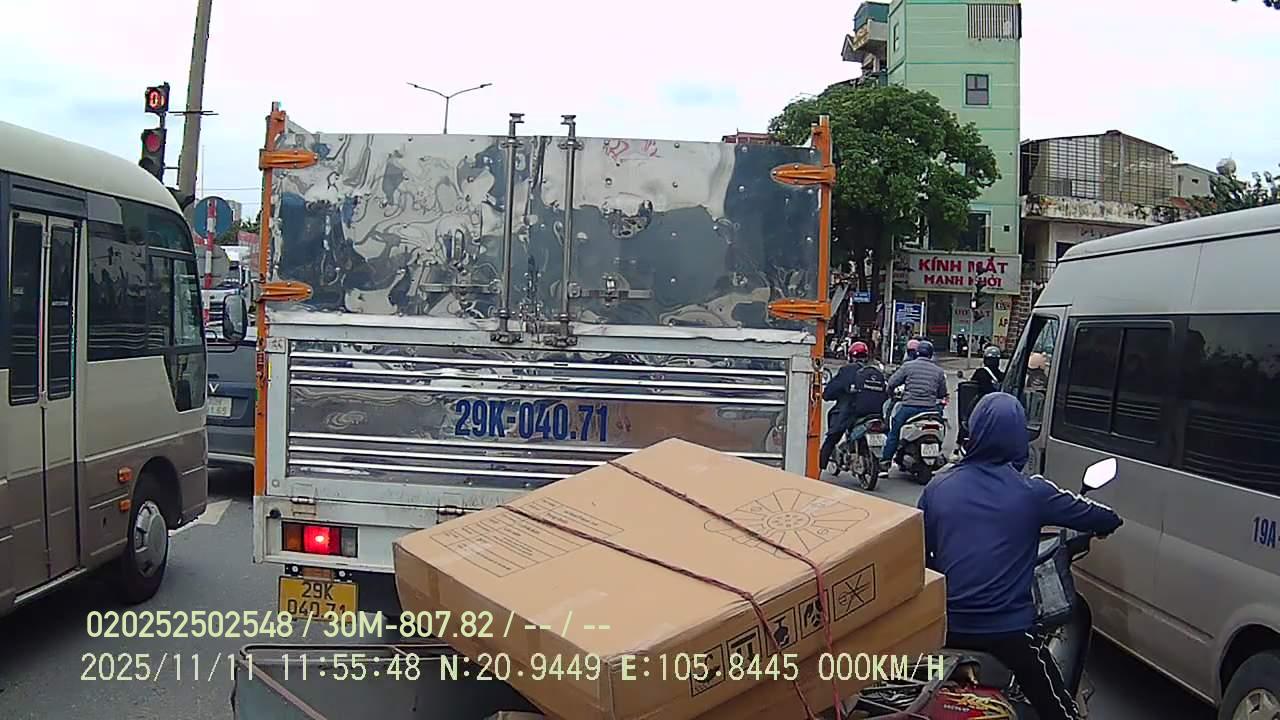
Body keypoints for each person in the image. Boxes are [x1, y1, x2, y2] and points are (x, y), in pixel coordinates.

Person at [918, 393, 1123, 720]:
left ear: (975, 431)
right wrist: (1102, 525)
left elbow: (921, 556)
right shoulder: (1032, 492)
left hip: (944, 627)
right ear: (1018, 436)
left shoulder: (938, 487)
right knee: (1059, 710)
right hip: (1007, 633)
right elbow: (1106, 517)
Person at [880, 339, 948, 471]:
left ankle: (886, 461)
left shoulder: (908, 366)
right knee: (941, 428)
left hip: (909, 407)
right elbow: (942, 393)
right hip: (930, 409)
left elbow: (892, 383)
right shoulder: (938, 371)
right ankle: (938, 453)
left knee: (894, 432)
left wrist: (890, 393)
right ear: (931, 354)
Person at [820, 342, 889, 470]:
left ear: (851, 356)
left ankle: (819, 468)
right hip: (875, 414)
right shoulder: (876, 371)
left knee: (832, 438)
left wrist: (829, 395)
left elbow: (830, 391)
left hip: (851, 413)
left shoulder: (847, 370)